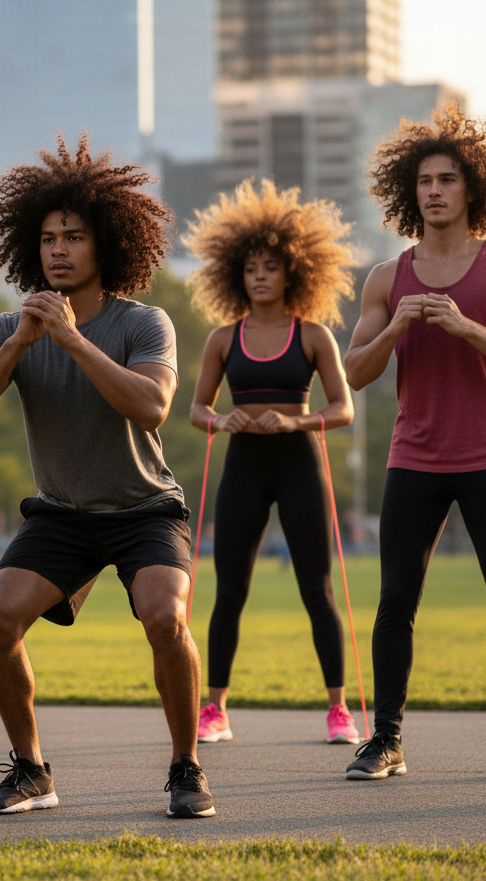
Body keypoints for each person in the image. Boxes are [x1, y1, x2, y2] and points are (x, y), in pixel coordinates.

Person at [0, 136, 215, 819]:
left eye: (72, 237)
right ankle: (32, 771)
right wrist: (19, 343)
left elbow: (152, 405)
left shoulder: (143, 323)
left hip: (144, 510)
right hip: (62, 514)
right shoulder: (13, 326)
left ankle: (187, 767)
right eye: (46, 239)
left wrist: (71, 340)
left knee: (165, 615)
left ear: (107, 245)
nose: (57, 250)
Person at [183, 180, 358, 745]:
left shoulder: (313, 335)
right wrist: (221, 421)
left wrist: (296, 422)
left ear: (293, 273)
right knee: (229, 588)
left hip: (300, 463)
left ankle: (338, 711)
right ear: (237, 274)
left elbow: (343, 409)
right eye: (251, 268)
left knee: (317, 588)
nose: (259, 276)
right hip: (244, 469)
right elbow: (195, 409)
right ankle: (214, 710)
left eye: (271, 267)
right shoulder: (221, 339)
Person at [343, 103, 486, 780]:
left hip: (485, 456)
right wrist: (395, 329)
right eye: (425, 180)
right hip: (415, 457)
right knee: (395, 599)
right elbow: (352, 372)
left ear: (470, 188)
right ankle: (387, 739)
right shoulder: (385, 277)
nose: (434, 190)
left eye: (448, 179)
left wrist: (467, 329)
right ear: (410, 191)